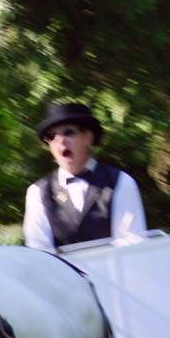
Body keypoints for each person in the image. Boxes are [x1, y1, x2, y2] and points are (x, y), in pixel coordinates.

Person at [22, 102, 147, 252]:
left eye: (68, 132)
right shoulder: (37, 192)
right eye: (51, 136)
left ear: (88, 137)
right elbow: (39, 253)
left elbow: (133, 244)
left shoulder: (121, 182)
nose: (60, 141)